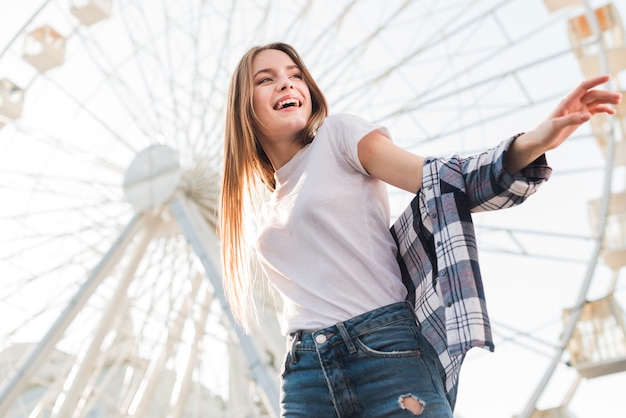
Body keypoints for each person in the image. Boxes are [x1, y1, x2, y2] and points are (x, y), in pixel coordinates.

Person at [219, 42, 622, 417]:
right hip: (305, 372)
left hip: (383, 351)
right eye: (266, 79)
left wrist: (534, 140)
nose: (287, 82)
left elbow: (442, 178)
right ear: (244, 106)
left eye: (295, 74)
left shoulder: (339, 136)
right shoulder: (266, 205)